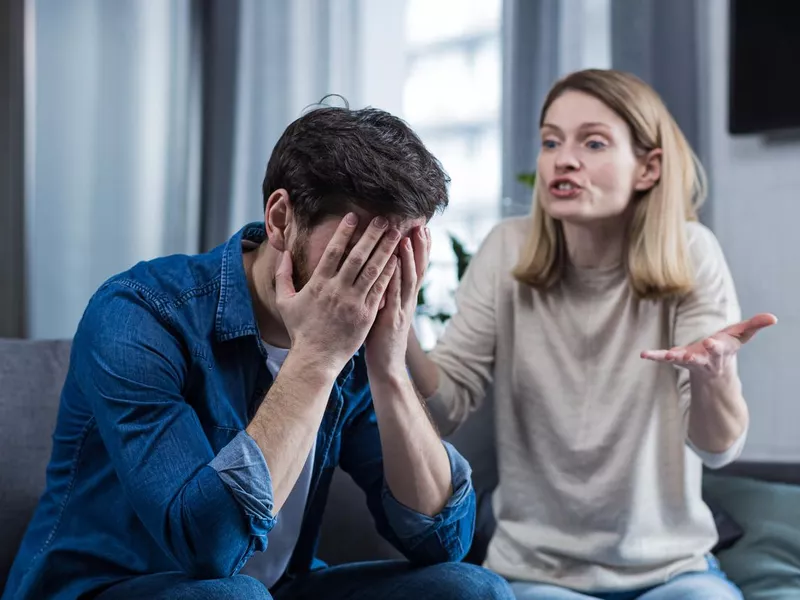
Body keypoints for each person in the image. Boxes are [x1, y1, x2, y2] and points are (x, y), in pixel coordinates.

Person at [3, 105, 514, 600]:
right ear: (280, 218)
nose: (375, 275)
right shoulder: (141, 313)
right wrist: (316, 356)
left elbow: (442, 542)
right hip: (111, 587)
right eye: (357, 249)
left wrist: (389, 368)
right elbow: (210, 550)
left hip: (274, 589)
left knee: (473, 588)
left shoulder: (359, 334)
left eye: (399, 251)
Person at [406, 69, 777, 600]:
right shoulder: (506, 250)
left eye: (593, 142)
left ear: (648, 168)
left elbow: (717, 450)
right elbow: (444, 407)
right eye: (550, 141)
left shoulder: (692, 251)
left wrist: (715, 376)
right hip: (539, 574)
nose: (564, 158)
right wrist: (399, 333)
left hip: (675, 570)